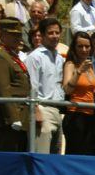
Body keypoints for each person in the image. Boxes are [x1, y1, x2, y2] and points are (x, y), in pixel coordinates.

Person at [26, 17, 65, 154]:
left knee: (55, 156)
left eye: (57, 32)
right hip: (42, 109)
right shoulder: (35, 57)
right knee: (41, 155)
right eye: (50, 33)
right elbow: (31, 86)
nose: (55, 36)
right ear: (42, 35)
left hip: (57, 111)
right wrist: (36, 111)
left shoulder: (60, 58)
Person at [0, 17, 30, 151]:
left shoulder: (13, 55)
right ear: (2, 35)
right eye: (13, 34)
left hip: (22, 115)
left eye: (19, 34)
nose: (17, 38)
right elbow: (3, 88)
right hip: (6, 120)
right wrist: (13, 118)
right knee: (7, 158)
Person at [62, 32, 95, 155]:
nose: (84, 50)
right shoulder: (70, 65)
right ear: (74, 48)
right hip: (76, 115)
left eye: (87, 46)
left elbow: (90, 89)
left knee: (88, 152)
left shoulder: (90, 66)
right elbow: (67, 89)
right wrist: (79, 71)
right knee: (76, 152)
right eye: (80, 46)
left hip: (91, 115)